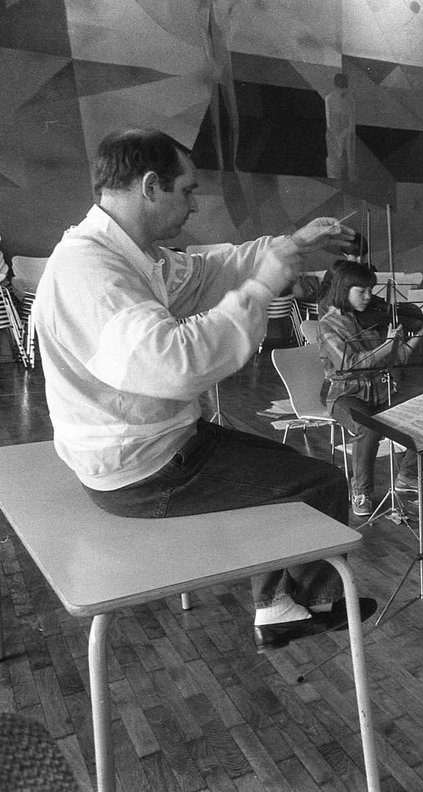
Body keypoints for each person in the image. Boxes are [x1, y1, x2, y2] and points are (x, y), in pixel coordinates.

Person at [32, 127, 373, 652]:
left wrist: (293, 245)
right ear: (151, 186)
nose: (194, 205)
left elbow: (208, 273)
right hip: (143, 471)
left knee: (273, 470)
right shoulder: (90, 270)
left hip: (147, 450)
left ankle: (278, 606)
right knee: (320, 483)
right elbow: (178, 363)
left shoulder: (125, 251)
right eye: (187, 190)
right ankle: (304, 606)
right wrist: (262, 287)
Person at [318, 260, 423, 517]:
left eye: (369, 290)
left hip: (381, 390)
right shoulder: (328, 325)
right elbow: (350, 364)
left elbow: (399, 358)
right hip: (345, 394)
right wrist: (386, 345)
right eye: (360, 291)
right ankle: (361, 491)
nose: (368, 297)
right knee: (368, 427)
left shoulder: (370, 317)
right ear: (343, 290)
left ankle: (408, 475)